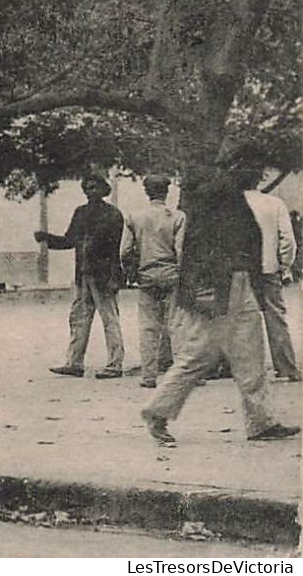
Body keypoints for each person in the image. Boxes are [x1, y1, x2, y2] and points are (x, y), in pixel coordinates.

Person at [142, 167, 299, 444]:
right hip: (218, 288)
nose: (257, 174)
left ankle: (261, 421)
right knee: (199, 353)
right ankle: (157, 410)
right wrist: (201, 291)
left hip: (238, 283)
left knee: (251, 353)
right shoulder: (215, 198)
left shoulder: (230, 197)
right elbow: (195, 250)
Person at [36, 173, 126, 379]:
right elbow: (69, 241)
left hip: (104, 275)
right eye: (87, 187)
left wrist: (114, 276)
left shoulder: (113, 215)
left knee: (109, 320)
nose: (90, 191)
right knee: (78, 319)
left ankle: (115, 364)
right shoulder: (81, 213)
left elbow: (111, 247)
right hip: (83, 275)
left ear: (104, 190)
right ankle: (74, 363)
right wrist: (46, 238)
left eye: (95, 187)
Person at [120, 174, 184, 388]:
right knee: (175, 325)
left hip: (146, 276)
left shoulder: (134, 217)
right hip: (171, 274)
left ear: (146, 192)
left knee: (148, 327)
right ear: (166, 192)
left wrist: (132, 274)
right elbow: (181, 251)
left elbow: (125, 251)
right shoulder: (177, 217)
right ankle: (179, 377)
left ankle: (149, 376)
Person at [242, 175, 300, 382]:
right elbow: (288, 240)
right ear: (258, 179)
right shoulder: (275, 204)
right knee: (275, 316)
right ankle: (286, 367)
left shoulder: (230, 205)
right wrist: (283, 265)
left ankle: (241, 368)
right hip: (268, 267)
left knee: (240, 319)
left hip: (239, 270)